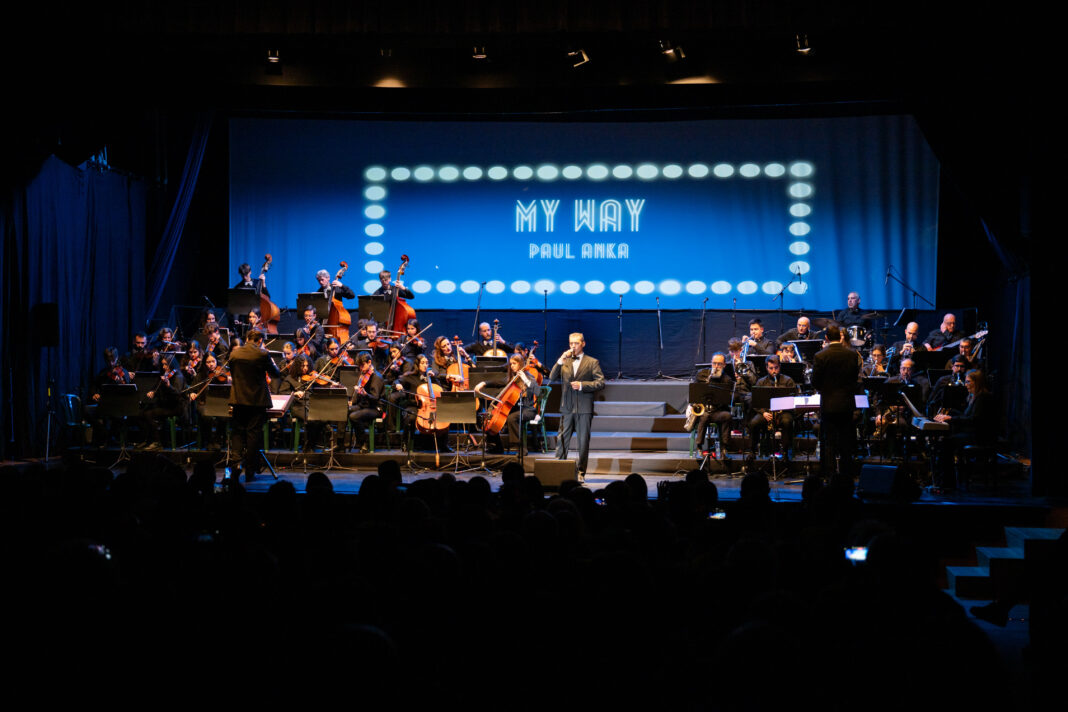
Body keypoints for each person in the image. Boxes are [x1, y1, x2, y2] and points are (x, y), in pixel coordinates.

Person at [227, 329, 281, 482]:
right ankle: (250, 471)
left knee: (237, 433)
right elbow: (276, 374)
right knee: (253, 435)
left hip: (238, 400)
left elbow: (234, 374)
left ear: (247, 339)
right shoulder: (262, 354)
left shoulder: (234, 354)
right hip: (256, 401)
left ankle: (236, 466)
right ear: (260, 340)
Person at [549, 333, 605, 479]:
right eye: (571, 343)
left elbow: (600, 383)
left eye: (576, 343)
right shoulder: (565, 361)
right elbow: (552, 377)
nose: (573, 346)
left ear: (583, 344)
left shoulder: (592, 362)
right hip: (567, 407)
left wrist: (582, 385)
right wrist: (560, 360)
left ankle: (580, 473)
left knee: (583, 442)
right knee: (562, 440)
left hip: (584, 408)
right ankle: (558, 471)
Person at [932, 369, 996, 491]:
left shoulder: (983, 398)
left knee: (946, 443)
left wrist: (951, 418)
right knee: (946, 440)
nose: (966, 385)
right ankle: (945, 481)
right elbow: (967, 416)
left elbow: (973, 420)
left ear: (976, 382)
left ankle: (947, 483)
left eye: (968, 382)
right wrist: (949, 413)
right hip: (974, 434)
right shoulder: (974, 397)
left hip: (980, 437)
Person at [812, 324, 861, 481]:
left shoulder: (820, 355)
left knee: (829, 442)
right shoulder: (851, 355)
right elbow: (854, 380)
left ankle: (830, 475)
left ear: (826, 337)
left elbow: (815, 382)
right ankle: (846, 476)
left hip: (828, 405)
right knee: (846, 442)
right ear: (840, 337)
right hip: (846, 404)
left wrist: (826, 390)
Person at [748, 355, 798, 459]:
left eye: (776, 368)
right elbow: (755, 401)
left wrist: (781, 409)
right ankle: (752, 451)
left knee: (787, 421)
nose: (774, 371)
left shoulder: (788, 381)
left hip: (783, 412)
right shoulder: (761, 382)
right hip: (767, 412)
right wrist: (763, 413)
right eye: (771, 368)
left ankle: (785, 452)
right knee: (754, 423)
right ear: (767, 368)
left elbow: (794, 400)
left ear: (779, 366)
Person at [690, 352, 735, 454]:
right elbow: (694, 392)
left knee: (727, 416)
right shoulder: (702, 374)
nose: (716, 366)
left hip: (717, 411)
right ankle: (699, 447)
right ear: (711, 363)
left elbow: (728, 400)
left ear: (724, 365)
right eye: (714, 363)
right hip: (703, 410)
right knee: (704, 416)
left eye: (719, 364)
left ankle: (724, 449)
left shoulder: (727, 380)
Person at [348, 353, 384, 452]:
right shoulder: (363, 375)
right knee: (345, 410)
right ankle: (340, 444)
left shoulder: (376, 377)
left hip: (375, 408)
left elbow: (375, 398)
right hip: (364, 405)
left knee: (354, 416)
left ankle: (363, 443)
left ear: (369, 362)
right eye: (359, 366)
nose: (361, 368)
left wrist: (365, 394)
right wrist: (352, 402)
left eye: (362, 365)